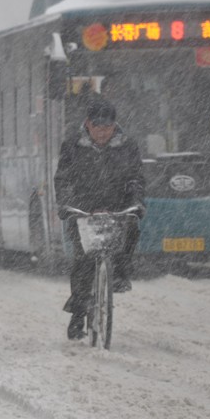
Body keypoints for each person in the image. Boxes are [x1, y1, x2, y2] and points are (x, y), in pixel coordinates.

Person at [54, 94, 145, 341]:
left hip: (117, 207)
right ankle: (78, 314)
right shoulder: (73, 145)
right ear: (88, 124)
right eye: (98, 127)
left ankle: (120, 275)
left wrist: (136, 202)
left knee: (132, 230)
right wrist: (66, 205)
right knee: (83, 261)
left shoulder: (128, 146)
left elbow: (136, 178)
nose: (102, 133)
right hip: (83, 209)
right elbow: (63, 179)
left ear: (114, 125)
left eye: (107, 127)